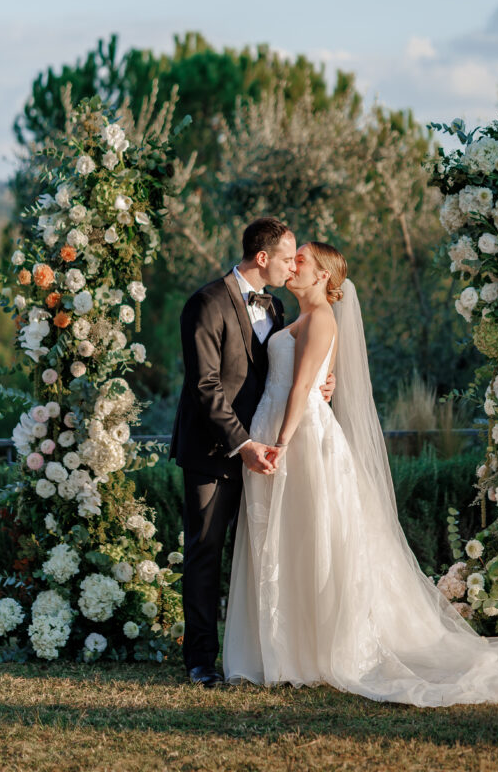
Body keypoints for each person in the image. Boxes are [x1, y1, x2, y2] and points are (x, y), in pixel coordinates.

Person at [223, 241, 498, 706]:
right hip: (277, 427)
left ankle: (308, 652)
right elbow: (305, 376)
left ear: (323, 275)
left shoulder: (323, 318)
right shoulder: (295, 315)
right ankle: (286, 649)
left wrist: (282, 443)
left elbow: (304, 388)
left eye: (302, 260)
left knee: (311, 538)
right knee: (284, 537)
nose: (294, 265)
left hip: (302, 438)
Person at [171, 217, 334, 687]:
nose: (293, 265)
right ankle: (200, 660)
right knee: (204, 553)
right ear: (263, 258)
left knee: (265, 551)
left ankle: (269, 653)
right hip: (213, 450)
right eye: (287, 258)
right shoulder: (205, 303)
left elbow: (284, 372)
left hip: (267, 451)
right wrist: (242, 444)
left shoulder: (279, 308)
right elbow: (204, 386)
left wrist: (326, 376)